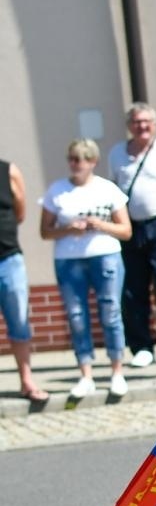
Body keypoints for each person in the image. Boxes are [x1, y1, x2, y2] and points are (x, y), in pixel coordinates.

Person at [38, 139, 133, 399]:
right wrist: (69, 229)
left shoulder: (107, 189)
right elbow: (45, 231)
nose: (74, 164)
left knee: (110, 312)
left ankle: (117, 371)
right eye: (71, 158)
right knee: (77, 316)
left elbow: (126, 230)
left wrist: (99, 225)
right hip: (69, 259)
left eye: (80, 159)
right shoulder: (57, 190)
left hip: (105, 255)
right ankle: (86, 375)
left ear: (92, 161)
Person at [107, 103, 156, 367]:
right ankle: (141, 346)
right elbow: (114, 189)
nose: (142, 126)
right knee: (134, 289)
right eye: (136, 122)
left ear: (154, 124)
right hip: (131, 227)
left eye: (146, 121)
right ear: (129, 125)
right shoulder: (117, 153)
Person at [0, 157, 47, 403]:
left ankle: (27, 382)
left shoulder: (8, 171)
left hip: (8, 257)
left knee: (19, 321)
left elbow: (20, 213)